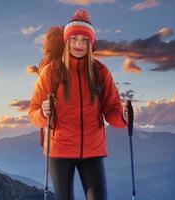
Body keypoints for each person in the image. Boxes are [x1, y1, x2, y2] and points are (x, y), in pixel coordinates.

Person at [28, 9, 128, 200]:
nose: (79, 44)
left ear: (91, 44)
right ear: (67, 41)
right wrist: (43, 112)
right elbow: (33, 113)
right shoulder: (51, 72)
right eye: (74, 39)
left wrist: (124, 118)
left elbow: (112, 110)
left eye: (84, 40)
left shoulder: (100, 72)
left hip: (93, 150)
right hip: (59, 150)